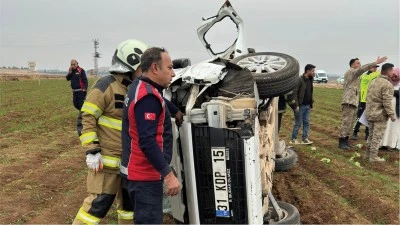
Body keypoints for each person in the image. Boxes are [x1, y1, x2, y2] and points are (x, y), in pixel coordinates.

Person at [72, 39, 149, 225]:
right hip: (105, 163)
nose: (144, 72)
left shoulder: (136, 88)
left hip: (129, 162)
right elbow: (86, 118)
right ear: (130, 65)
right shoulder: (105, 86)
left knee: (129, 208)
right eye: (142, 67)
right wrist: (92, 150)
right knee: (98, 205)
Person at [121, 47, 181, 224]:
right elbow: (146, 141)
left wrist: (175, 110)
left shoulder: (139, 86)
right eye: (169, 68)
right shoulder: (147, 97)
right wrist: (168, 175)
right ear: (155, 68)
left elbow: (158, 100)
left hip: (138, 174)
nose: (173, 73)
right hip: (144, 177)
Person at [338, 56, 387, 150]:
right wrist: (374, 62)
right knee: (346, 122)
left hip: (353, 102)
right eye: (358, 63)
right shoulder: (351, 72)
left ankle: (346, 140)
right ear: (352, 65)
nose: (359, 65)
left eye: (360, 63)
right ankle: (342, 141)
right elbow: (362, 69)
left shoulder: (356, 76)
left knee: (350, 122)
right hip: (348, 102)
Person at [365, 63, 396, 162]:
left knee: (371, 135)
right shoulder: (387, 84)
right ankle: (373, 157)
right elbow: (387, 102)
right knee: (377, 136)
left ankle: (367, 155)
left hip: (370, 112)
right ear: (388, 71)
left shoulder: (373, 81)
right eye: (392, 71)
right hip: (379, 114)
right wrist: (391, 115)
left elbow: (368, 97)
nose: (393, 73)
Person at [352, 65, 380, 140]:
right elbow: (370, 77)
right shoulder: (365, 76)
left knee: (369, 118)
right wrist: (380, 72)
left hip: (371, 100)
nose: (376, 69)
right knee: (359, 117)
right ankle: (355, 132)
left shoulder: (375, 76)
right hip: (363, 100)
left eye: (376, 68)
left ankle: (367, 134)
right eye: (374, 67)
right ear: (369, 68)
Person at [290, 64, 315, 145]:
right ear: (308, 71)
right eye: (313, 71)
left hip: (308, 105)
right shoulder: (300, 80)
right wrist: (296, 105)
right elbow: (295, 92)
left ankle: (305, 139)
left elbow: (310, 92)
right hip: (300, 106)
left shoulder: (311, 79)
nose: (314, 72)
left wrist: (311, 102)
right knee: (298, 123)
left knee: (307, 122)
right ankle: (293, 139)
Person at [380, 67, 400, 150]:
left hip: (397, 111)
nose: (394, 77)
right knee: (386, 127)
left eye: (397, 75)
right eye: (393, 75)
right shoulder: (387, 83)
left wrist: (392, 92)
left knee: (395, 128)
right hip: (387, 110)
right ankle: (383, 144)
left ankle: (394, 145)